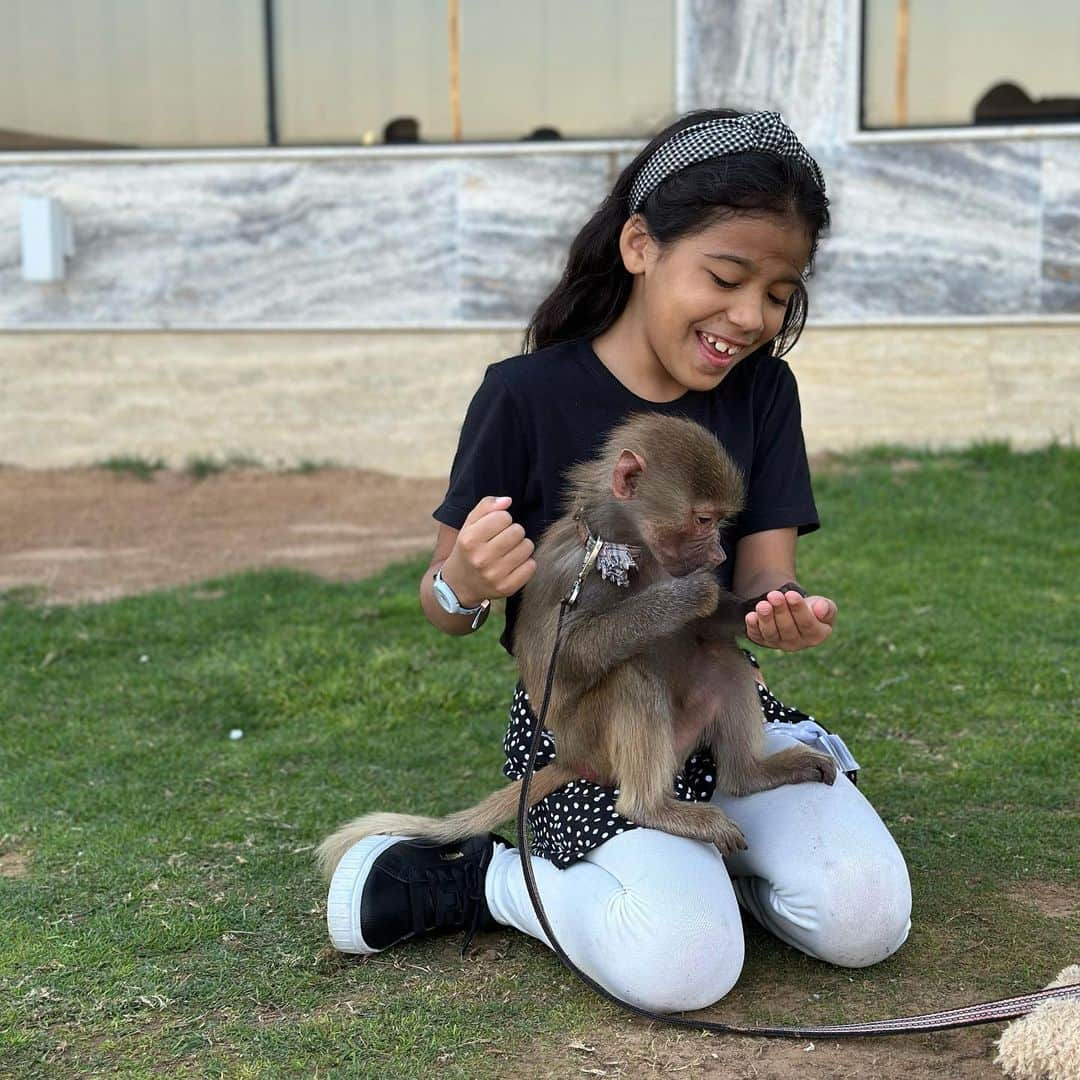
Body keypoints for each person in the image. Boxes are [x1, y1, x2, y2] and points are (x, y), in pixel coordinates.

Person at [324, 108, 912, 1013]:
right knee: (683, 969)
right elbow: (449, 604)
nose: (750, 317)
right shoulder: (524, 396)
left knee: (867, 921)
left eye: (780, 295)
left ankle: (724, 838)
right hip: (598, 720)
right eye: (725, 277)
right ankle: (489, 882)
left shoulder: (763, 392)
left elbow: (757, 578)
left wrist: (780, 610)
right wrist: (467, 584)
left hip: (713, 697)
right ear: (641, 245)